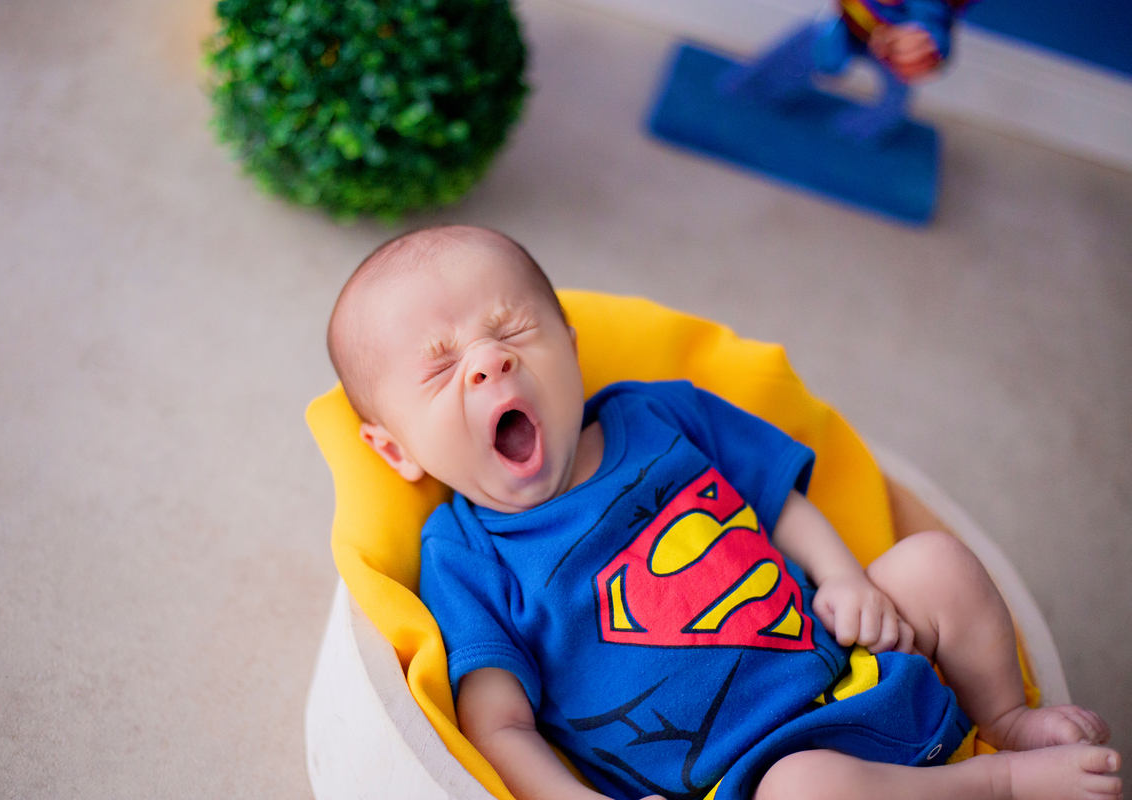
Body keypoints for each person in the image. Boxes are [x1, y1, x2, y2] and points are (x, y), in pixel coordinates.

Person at [326, 225, 1120, 800]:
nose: (489, 361)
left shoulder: (659, 418)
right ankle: (1000, 783)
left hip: (862, 669)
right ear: (394, 451)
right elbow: (499, 726)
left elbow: (779, 502)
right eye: (440, 369)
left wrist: (845, 578)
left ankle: (1003, 718)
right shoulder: (467, 554)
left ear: (569, 346)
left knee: (932, 564)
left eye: (511, 330)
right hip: (758, 777)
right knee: (807, 791)